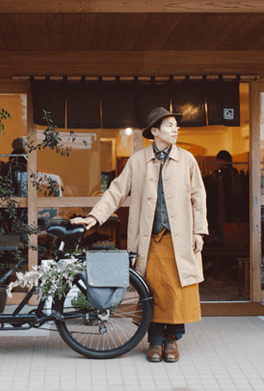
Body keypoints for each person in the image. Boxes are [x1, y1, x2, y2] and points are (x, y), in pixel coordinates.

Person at [71, 107, 208, 363]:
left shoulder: (188, 159)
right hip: (150, 239)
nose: (175, 129)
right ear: (154, 132)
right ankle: (154, 342)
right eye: (169, 125)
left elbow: (198, 197)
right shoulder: (137, 161)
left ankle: (171, 341)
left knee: (176, 292)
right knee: (151, 291)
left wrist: (199, 231)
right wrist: (93, 217)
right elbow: (116, 192)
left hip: (179, 238)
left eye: (175, 125)